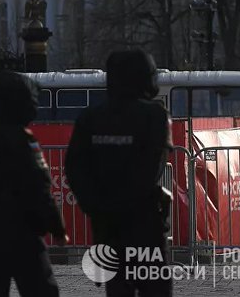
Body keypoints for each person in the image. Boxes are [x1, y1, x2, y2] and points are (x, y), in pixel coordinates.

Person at [67, 49, 172, 297]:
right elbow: (151, 168)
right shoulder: (154, 115)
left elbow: (75, 168)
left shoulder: (90, 117)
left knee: (118, 288)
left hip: (106, 227)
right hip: (144, 224)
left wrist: (95, 206)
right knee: (155, 287)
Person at [0, 70, 66, 297]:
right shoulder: (22, 138)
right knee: (42, 290)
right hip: (20, 234)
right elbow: (39, 187)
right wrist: (57, 227)